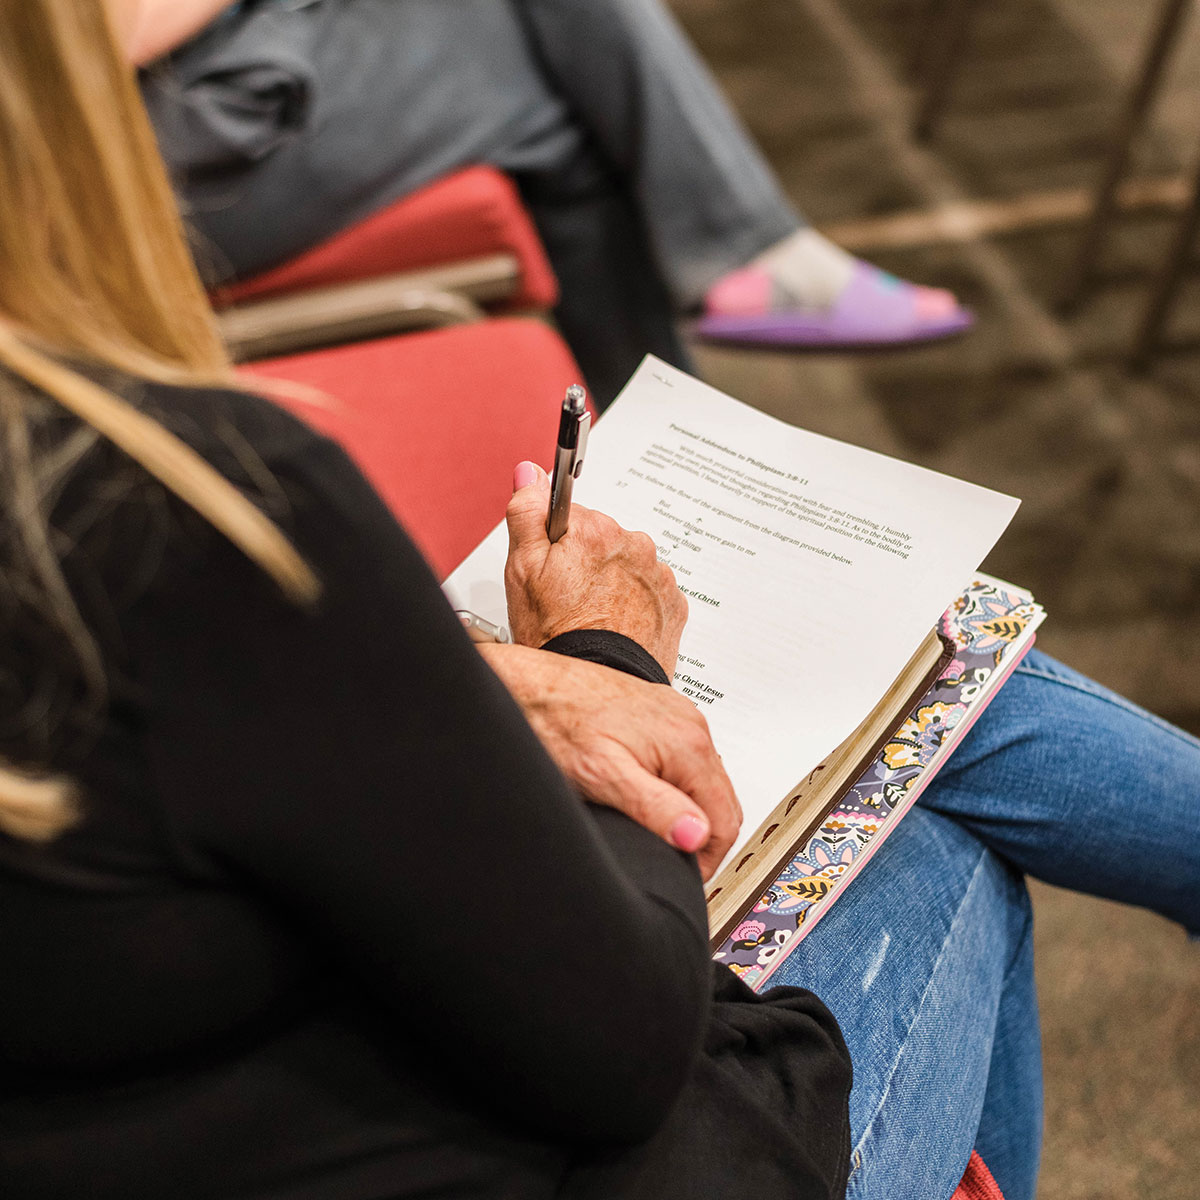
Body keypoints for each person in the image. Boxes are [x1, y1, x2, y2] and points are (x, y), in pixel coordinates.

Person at [0, 5, 1196, 1200]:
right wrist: (608, 656)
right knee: (933, 828)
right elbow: (620, 1050)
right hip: (542, 1127)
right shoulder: (176, 514)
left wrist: (491, 679)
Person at [132, 0, 972, 404]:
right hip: (128, 173)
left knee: (564, 91)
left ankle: (671, 461)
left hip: (185, 92)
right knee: (561, 103)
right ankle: (735, 275)